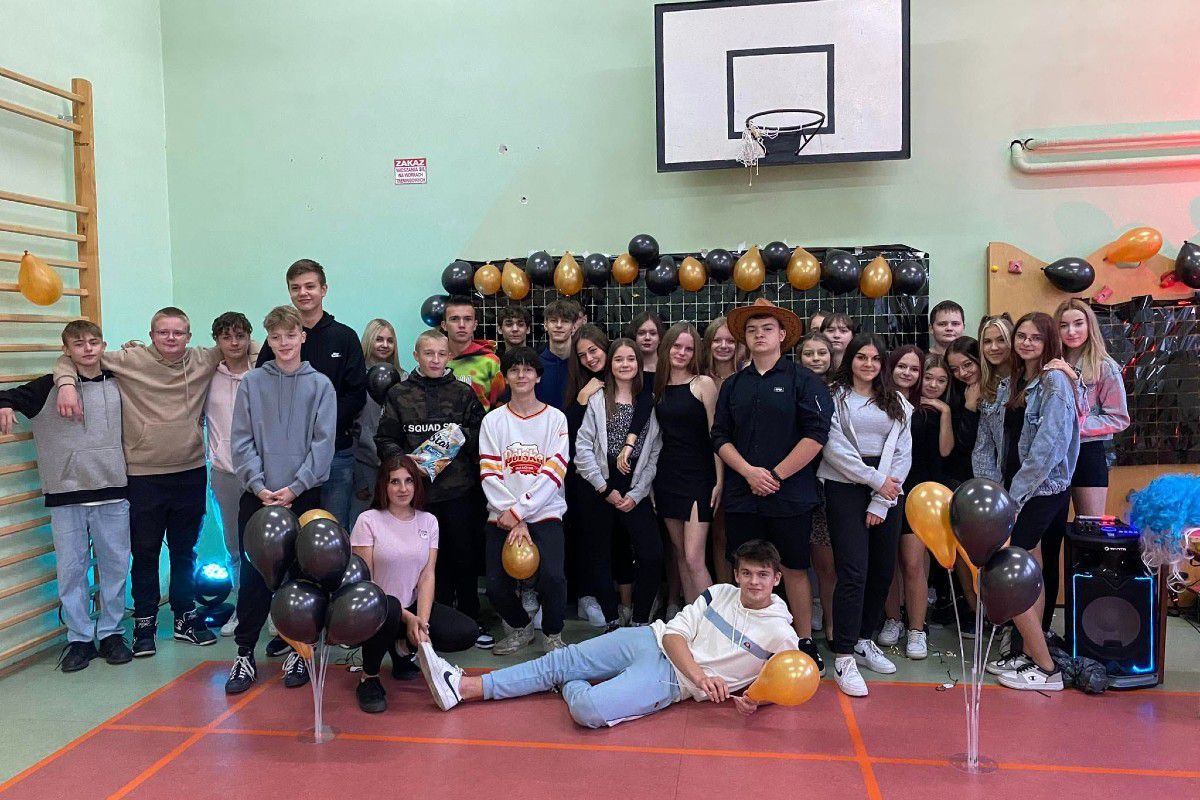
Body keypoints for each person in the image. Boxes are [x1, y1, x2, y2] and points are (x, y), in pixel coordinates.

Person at [416, 540, 801, 729]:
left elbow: (782, 682)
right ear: (736, 574)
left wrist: (755, 700)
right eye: (746, 573)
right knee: (561, 658)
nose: (753, 581)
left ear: (777, 579)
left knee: (588, 711)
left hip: (670, 681)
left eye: (762, 575)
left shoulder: (780, 632)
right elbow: (674, 636)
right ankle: (463, 687)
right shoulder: (718, 593)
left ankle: (570, 683)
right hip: (650, 640)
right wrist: (702, 677)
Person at [53, 307, 224, 656]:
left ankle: (184, 617)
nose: (171, 338)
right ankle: (145, 622)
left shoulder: (203, 359)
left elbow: (246, 346)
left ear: (189, 337)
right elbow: (72, 358)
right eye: (163, 332)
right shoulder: (129, 360)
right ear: (151, 335)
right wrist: (66, 385)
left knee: (184, 552)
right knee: (144, 552)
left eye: (178, 332)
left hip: (190, 472)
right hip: (144, 476)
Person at [0, 321, 132, 672]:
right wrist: (5, 406)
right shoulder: (49, 386)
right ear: (66, 350)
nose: (87, 349)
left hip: (113, 490)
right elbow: (7, 395)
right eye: (78, 344)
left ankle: (112, 632)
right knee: (71, 570)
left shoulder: (119, 381)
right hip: (66, 494)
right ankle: (79, 638)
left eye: (93, 342)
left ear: (103, 345)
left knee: (116, 566)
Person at [711, 298, 831, 673]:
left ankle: (803, 642)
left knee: (793, 568)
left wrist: (775, 475)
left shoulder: (804, 381)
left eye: (767, 329)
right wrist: (749, 472)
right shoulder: (733, 386)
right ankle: (742, 642)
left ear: (782, 335)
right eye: (752, 330)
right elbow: (719, 436)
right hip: (742, 494)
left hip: (790, 495)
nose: (759, 335)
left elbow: (816, 435)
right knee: (745, 568)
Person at [225, 306, 336, 694]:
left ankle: (299, 650)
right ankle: (244, 653)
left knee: (303, 577)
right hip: (259, 498)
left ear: (302, 337)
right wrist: (259, 487)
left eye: (290, 335)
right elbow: (241, 440)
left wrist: (296, 487)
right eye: (276, 337)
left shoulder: (321, 385)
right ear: (268, 341)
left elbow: (323, 444)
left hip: (303, 497)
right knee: (253, 578)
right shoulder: (252, 383)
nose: (284, 343)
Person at [973, 312, 1077, 692]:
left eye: (1035, 337)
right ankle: (1030, 653)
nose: (1026, 343)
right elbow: (990, 444)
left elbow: (1048, 449)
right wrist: (996, 492)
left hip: (1039, 491)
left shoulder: (1054, 381)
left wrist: (1013, 500)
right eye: (1022, 336)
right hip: (1015, 490)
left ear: (1049, 342)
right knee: (1029, 571)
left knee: (1010, 575)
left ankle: (1047, 669)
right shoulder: (1015, 382)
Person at [374, 329, 487, 645]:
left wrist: (458, 436)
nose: (435, 360)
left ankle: (471, 619)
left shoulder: (463, 393)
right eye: (428, 354)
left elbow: (482, 432)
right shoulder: (399, 394)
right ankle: (426, 624)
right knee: (425, 562)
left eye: (441, 354)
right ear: (416, 356)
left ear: (449, 356)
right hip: (417, 498)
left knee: (463, 557)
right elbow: (384, 439)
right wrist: (402, 459)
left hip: (458, 493)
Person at [818, 333, 913, 697]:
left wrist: (881, 499)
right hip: (845, 486)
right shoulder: (833, 396)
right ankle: (843, 655)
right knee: (853, 571)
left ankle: (862, 640)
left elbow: (902, 451)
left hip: (888, 491)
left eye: (875, 359)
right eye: (862, 357)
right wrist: (874, 482)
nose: (869, 364)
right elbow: (833, 448)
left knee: (883, 570)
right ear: (850, 360)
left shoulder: (897, 400)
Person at [350, 454, 478, 713]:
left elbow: (427, 574)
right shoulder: (368, 520)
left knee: (466, 631)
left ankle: (401, 649)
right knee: (389, 608)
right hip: (377, 608)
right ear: (384, 485)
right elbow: (366, 583)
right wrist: (407, 618)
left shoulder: (428, 521)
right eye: (394, 482)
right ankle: (369, 677)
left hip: (411, 606)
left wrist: (422, 623)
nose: (403, 488)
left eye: (408, 481)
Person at [255, 259, 367, 530]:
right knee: (288, 535)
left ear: (323, 289)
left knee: (332, 532)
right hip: (286, 459)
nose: (303, 293)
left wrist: (318, 428)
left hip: (335, 456)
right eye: (295, 288)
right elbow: (263, 392)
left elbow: (355, 395)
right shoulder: (278, 341)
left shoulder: (345, 337)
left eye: (310, 286)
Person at [1044, 299, 1129, 632]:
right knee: (1049, 538)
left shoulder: (1104, 367)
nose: (1071, 331)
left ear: (1089, 325)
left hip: (1088, 455)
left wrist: (1073, 426)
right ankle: (1045, 624)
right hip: (1053, 457)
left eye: (1078, 323)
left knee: (1090, 538)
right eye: (1064, 325)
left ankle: (1091, 626)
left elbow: (1119, 418)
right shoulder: (1049, 362)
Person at [479, 346, 570, 654]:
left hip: (545, 512)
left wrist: (521, 511)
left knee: (554, 578)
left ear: (538, 377)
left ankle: (553, 634)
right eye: (514, 370)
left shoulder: (556, 419)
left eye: (528, 370)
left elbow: (554, 472)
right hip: (501, 514)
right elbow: (489, 473)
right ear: (505, 377)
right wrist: (513, 515)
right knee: (495, 585)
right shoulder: (493, 421)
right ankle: (521, 627)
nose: (521, 375)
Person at [576, 339, 665, 626]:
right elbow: (583, 448)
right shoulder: (598, 399)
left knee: (652, 554)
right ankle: (612, 620)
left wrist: (637, 493)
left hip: (635, 487)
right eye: (618, 359)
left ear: (639, 363)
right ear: (610, 364)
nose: (625, 364)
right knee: (600, 555)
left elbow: (654, 451)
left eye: (630, 359)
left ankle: (640, 620)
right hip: (600, 486)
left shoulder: (648, 401)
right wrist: (604, 488)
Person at [881, 350, 952, 660]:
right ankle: (893, 618)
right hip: (887, 489)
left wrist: (945, 412)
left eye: (915, 369)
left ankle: (917, 628)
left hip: (921, 494)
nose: (909, 374)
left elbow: (945, 452)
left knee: (913, 563)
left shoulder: (932, 410)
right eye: (902, 367)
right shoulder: (884, 402)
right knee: (887, 562)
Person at [653, 323, 721, 604]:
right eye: (677, 346)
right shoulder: (658, 387)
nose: (681, 353)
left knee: (694, 557)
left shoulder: (703, 384)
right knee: (680, 554)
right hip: (667, 476)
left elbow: (717, 437)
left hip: (699, 477)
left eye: (688, 348)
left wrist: (719, 481)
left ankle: (713, 621)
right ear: (666, 348)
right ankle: (692, 618)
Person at [205, 312, 256, 637]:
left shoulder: (263, 373)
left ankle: (272, 609)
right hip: (224, 473)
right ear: (218, 341)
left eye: (240, 336)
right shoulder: (207, 375)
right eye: (227, 337)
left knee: (268, 547)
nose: (234, 343)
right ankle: (242, 608)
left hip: (261, 476)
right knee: (234, 548)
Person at [565, 324, 612, 628]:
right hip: (584, 477)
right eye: (582, 355)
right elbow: (568, 433)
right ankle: (586, 596)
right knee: (587, 538)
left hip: (620, 476)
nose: (589, 358)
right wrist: (582, 398)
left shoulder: (622, 376)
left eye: (593, 351)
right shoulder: (581, 386)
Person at [700, 316, 746, 585]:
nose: (724, 346)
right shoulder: (699, 376)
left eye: (730, 340)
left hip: (742, 462)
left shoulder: (747, 376)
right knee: (718, 534)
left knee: (739, 534)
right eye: (717, 340)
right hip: (707, 463)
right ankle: (723, 590)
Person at [944, 336, 984, 629]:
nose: (962, 373)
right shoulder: (958, 394)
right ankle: (975, 610)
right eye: (955, 369)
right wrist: (969, 406)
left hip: (993, 481)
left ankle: (997, 615)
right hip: (960, 479)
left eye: (967, 365)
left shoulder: (999, 387)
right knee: (962, 551)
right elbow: (961, 445)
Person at [798, 331, 836, 638]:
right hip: (799, 479)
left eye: (821, 353)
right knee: (804, 558)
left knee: (830, 562)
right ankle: (812, 607)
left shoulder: (841, 390)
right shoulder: (794, 387)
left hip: (835, 480)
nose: (815, 359)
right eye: (808, 353)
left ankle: (834, 624)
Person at [351, 318, 406, 525]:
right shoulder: (355, 378)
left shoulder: (403, 378)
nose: (385, 345)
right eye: (379, 339)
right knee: (361, 524)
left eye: (390, 340)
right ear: (369, 341)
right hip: (364, 463)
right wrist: (358, 477)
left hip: (395, 465)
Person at [443, 294, 505, 411]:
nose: (461, 325)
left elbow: (498, 405)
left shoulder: (490, 361)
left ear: (475, 325)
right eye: (454, 319)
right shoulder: (435, 360)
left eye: (467, 319)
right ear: (444, 325)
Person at [536, 299, 581, 410]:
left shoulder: (583, 362)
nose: (559, 325)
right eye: (553, 321)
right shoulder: (534, 364)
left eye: (565, 321)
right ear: (545, 325)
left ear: (574, 327)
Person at [626, 311, 664, 389]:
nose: (647, 338)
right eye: (641, 333)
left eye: (653, 333)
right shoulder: (626, 368)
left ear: (660, 338)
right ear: (634, 337)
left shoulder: (668, 368)